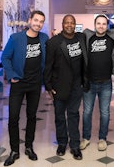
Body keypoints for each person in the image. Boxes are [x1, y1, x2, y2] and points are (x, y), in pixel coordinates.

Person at [1, 10, 49, 166]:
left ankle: (29, 147)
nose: (38, 24)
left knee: (32, 116)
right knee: (13, 117)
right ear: (30, 20)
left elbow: (49, 59)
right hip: (18, 83)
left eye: (41, 21)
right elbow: (5, 57)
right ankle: (14, 150)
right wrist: (11, 74)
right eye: (36, 20)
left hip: (35, 84)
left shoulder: (44, 38)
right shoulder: (16, 38)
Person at [43, 14, 88, 160]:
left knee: (74, 115)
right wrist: (48, 86)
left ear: (75, 24)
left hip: (77, 85)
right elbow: (48, 66)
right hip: (59, 85)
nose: (69, 25)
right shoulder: (54, 42)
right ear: (62, 24)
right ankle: (62, 143)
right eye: (66, 22)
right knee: (60, 116)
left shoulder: (81, 38)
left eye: (72, 23)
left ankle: (75, 146)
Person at [80, 14, 114, 151]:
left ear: (107, 25)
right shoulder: (88, 37)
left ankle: (102, 138)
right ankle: (86, 137)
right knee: (87, 112)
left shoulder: (112, 37)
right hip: (89, 83)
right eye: (98, 23)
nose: (101, 26)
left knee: (105, 113)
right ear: (94, 24)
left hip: (106, 83)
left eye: (104, 23)